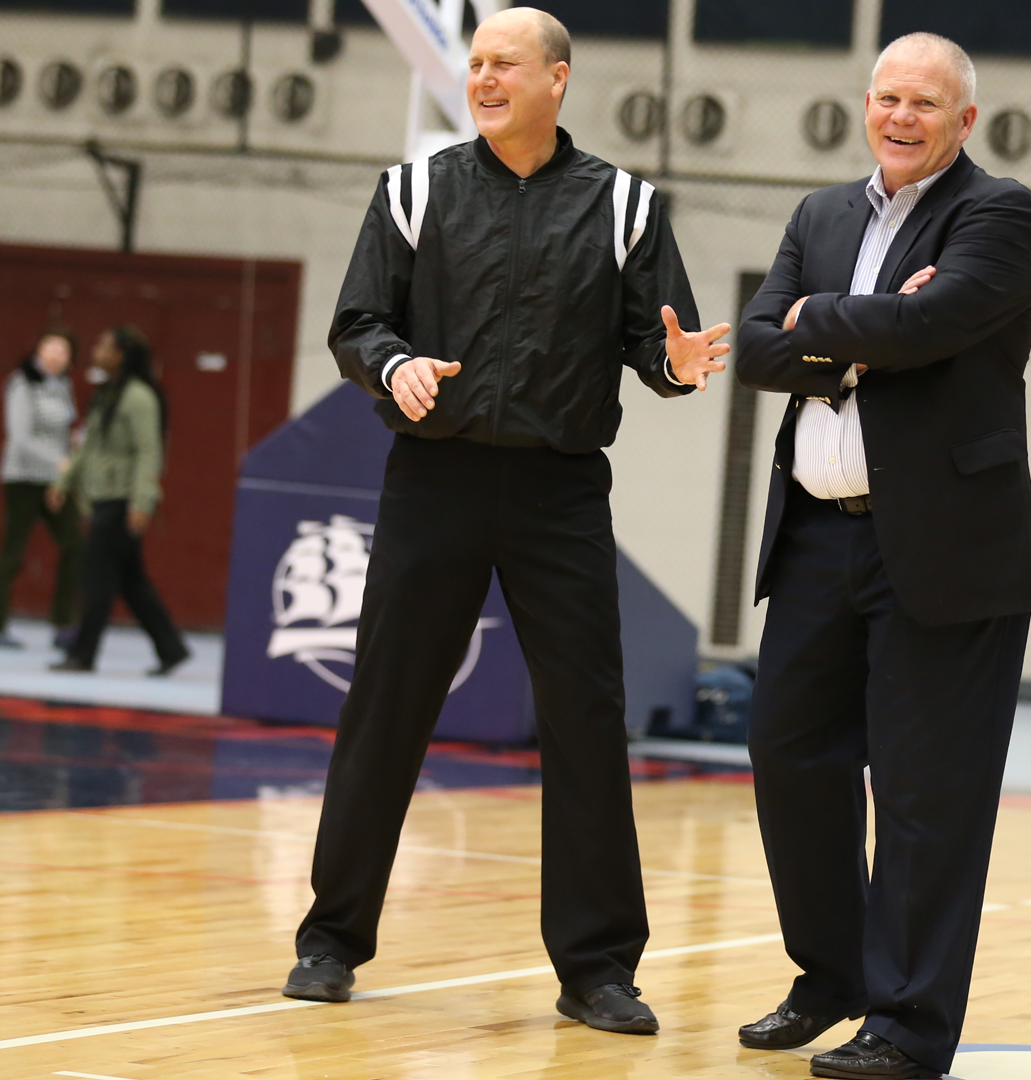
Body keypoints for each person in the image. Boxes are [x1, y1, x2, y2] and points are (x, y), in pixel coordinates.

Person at [280, 7, 731, 1037]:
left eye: (504, 64)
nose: (482, 78)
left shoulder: (624, 206)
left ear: (557, 80)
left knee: (584, 721)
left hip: (560, 495)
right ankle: (330, 939)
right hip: (431, 482)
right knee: (385, 708)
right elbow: (358, 324)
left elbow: (656, 346)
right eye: (476, 62)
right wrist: (395, 366)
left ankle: (598, 970)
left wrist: (677, 365)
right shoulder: (413, 190)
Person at [732, 33, 1031, 1080]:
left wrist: (820, 326)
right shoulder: (821, 214)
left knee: (925, 795)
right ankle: (832, 977)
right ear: (864, 106)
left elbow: (941, 324)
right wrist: (863, 327)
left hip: (947, 551)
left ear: (965, 122)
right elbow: (757, 348)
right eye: (887, 98)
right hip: (820, 537)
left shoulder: (998, 212)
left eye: (926, 103)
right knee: (787, 754)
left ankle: (908, 1028)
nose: (901, 117)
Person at [48, 326, 191, 677]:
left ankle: (83, 653)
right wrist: (63, 480)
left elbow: (148, 453)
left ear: (121, 354)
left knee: (98, 578)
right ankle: (170, 648)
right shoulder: (107, 393)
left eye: (104, 345)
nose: (96, 350)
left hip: (121, 500)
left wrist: (142, 502)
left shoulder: (139, 398)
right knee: (130, 580)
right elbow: (87, 444)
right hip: (102, 498)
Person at [0, 332, 83, 650]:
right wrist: (60, 461)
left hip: (55, 480)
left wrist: (77, 447)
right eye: (50, 348)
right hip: (23, 478)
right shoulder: (21, 383)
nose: (56, 355)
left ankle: (63, 624)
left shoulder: (64, 386)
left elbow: (65, 428)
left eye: (63, 350)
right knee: (13, 550)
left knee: (76, 545)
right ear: (38, 351)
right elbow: (19, 437)